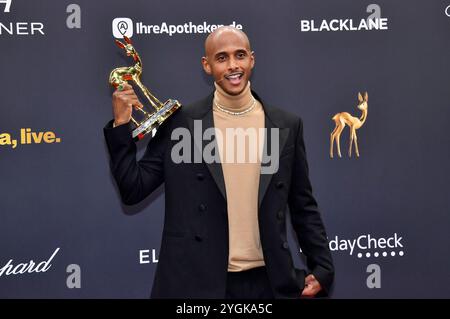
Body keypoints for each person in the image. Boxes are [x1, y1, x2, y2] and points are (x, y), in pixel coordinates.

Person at [104, 26, 334, 299]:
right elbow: (134, 188)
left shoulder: (285, 126)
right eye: (222, 58)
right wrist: (120, 125)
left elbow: (302, 205)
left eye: (240, 55)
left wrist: (322, 268)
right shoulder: (182, 124)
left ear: (252, 59)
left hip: (268, 283)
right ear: (207, 65)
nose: (233, 65)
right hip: (195, 284)